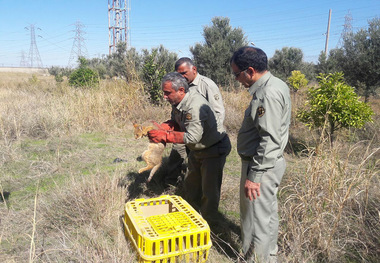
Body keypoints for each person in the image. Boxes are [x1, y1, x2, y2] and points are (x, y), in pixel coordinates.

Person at [230, 46, 291, 263]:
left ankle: (255, 259)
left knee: (256, 218)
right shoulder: (276, 84)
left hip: (261, 166)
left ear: (250, 70)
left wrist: (254, 177)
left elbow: (269, 139)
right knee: (265, 216)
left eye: (237, 74)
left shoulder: (267, 93)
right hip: (265, 163)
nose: (237, 79)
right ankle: (268, 256)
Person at [148, 72, 231, 225]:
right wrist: (164, 127)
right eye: (164, 93)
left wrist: (165, 136)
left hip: (213, 149)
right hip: (197, 150)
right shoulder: (179, 100)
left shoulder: (194, 105)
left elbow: (193, 137)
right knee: (191, 186)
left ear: (181, 90)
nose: (164, 97)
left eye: (167, 93)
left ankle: (209, 226)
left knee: (209, 191)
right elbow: (176, 121)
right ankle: (190, 218)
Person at [163, 57, 226, 186]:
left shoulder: (206, 85)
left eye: (184, 73)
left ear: (194, 69)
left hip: (203, 134)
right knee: (176, 155)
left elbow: (217, 112)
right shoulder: (178, 86)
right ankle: (171, 183)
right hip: (185, 130)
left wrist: (209, 135)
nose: (181, 76)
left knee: (206, 180)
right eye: (178, 74)